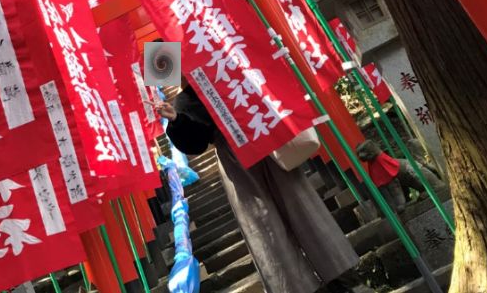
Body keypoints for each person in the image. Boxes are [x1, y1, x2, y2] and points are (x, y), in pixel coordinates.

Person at [155, 84, 366, 293]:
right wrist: (176, 119)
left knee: (302, 204)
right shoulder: (185, 100)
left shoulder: (228, 66)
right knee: (264, 226)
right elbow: (197, 144)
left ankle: (342, 277)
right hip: (235, 160)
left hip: (265, 139)